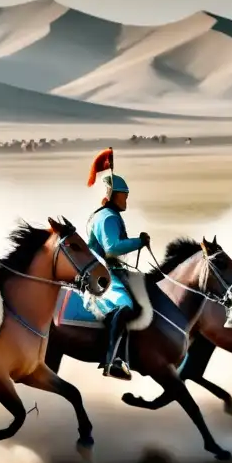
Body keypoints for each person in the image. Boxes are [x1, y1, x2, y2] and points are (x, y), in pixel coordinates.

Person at [85, 148, 150, 381]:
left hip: (111, 273)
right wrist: (139, 242)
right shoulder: (108, 217)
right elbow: (112, 248)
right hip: (103, 277)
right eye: (123, 194)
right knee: (125, 306)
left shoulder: (108, 215)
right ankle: (113, 359)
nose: (126, 199)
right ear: (113, 194)